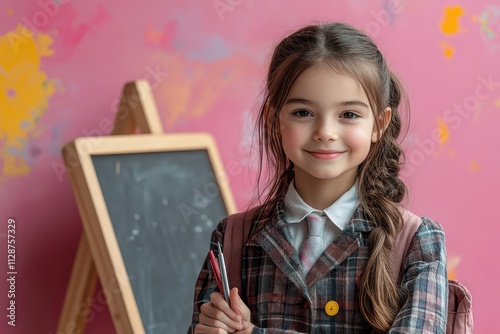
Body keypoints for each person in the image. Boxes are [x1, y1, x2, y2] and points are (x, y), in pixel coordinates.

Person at [189, 22, 448, 333]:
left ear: (379, 124)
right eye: (303, 113)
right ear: (274, 119)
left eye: (348, 115)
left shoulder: (416, 242)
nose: (325, 132)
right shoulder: (232, 238)